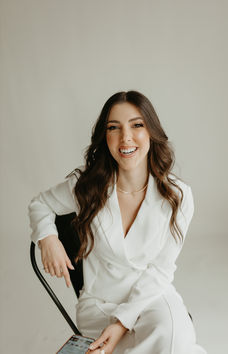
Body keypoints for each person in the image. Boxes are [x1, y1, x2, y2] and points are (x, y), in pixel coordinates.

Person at [28, 90, 207, 354]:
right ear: (105, 136)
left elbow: (161, 270)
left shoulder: (178, 196)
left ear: (151, 133)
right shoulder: (86, 187)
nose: (126, 137)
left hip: (152, 297)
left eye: (137, 125)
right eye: (114, 128)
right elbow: (40, 204)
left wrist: (123, 323)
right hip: (100, 304)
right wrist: (48, 238)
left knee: (173, 341)